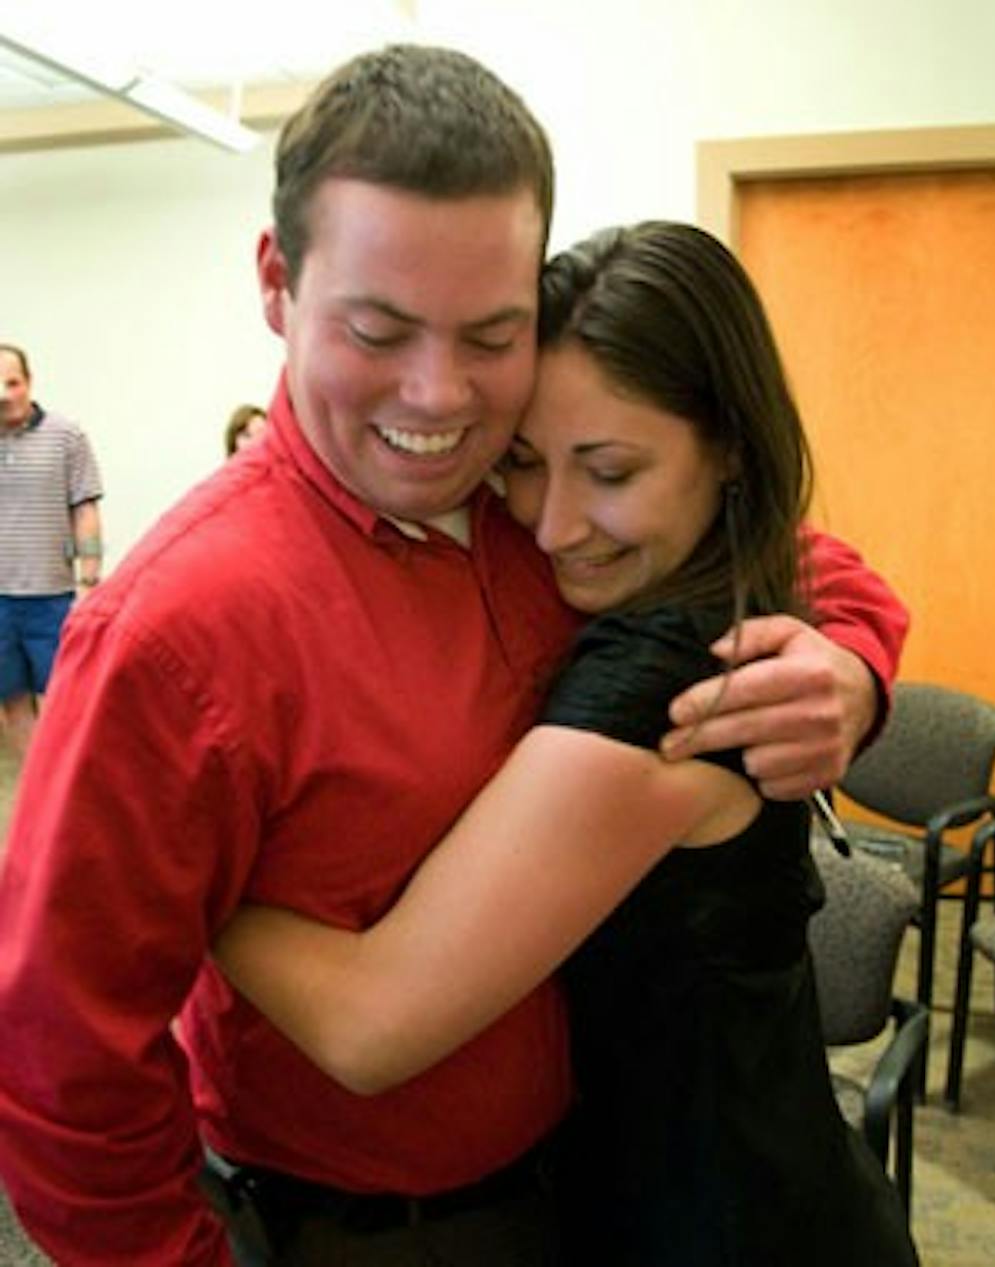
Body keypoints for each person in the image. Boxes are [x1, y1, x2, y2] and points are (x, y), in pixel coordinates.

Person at [0, 46, 907, 1267]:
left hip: (587, 1194)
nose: (437, 397)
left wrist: (849, 665)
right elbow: (63, 1059)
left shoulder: (526, 506)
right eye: (378, 328)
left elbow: (779, 555)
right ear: (277, 284)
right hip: (364, 1227)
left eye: (491, 334)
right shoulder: (174, 635)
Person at [214, 222, 919, 1266]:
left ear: (728, 446)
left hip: (726, 1218)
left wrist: (180, 865)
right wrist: (861, 656)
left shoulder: (671, 685)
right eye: (525, 464)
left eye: (610, 470)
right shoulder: (671, 566)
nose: (551, 526)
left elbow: (371, 1024)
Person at [0, 343, 103, 761]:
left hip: (53, 598)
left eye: (13, 382)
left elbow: (86, 509)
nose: (4, 393)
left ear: (30, 383)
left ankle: (73, 793)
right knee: (13, 700)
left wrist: (89, 582)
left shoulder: (66, 436)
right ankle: (35, 794)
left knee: (71, 702)